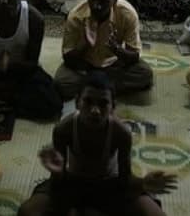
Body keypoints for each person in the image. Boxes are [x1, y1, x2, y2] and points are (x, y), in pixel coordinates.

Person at [18, 72, 176, 216]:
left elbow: (124, 180)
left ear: (113, 107)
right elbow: (57, 183)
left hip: (110, 185)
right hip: (73, 183)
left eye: (103, 104)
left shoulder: (121, 133)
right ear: (77, 103)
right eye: (88, 102)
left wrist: (143, 183)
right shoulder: (63, 129)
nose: (95, 110)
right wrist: (58, 173)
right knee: (27, 211)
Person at [54, 0, 154, 99]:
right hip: (85, 66)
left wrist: (117, 49)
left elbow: (134, 56)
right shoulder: (75, 16)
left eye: (103, 1)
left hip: (114, 65)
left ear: (115, 0)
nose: (96, 6)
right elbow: (68, 58)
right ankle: (105, 88)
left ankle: (93, 88)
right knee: (61, 82)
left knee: (144, 74)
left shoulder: (127, 14)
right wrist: (83, 45)